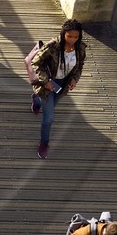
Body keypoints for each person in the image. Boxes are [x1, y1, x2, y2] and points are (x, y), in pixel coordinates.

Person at [24, 18, 85, 160]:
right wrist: (45, 81)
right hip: (47, 84)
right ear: (63, 33)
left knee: (51, 106)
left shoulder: (80, 48)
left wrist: (74, 79)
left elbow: (80, 66)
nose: (72, 40)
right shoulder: (53, 46)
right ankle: (44, 143)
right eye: (69, 36)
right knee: (49, 118)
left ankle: (36, 100)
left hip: (62, 85)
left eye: (76, 37)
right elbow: (36, 62)